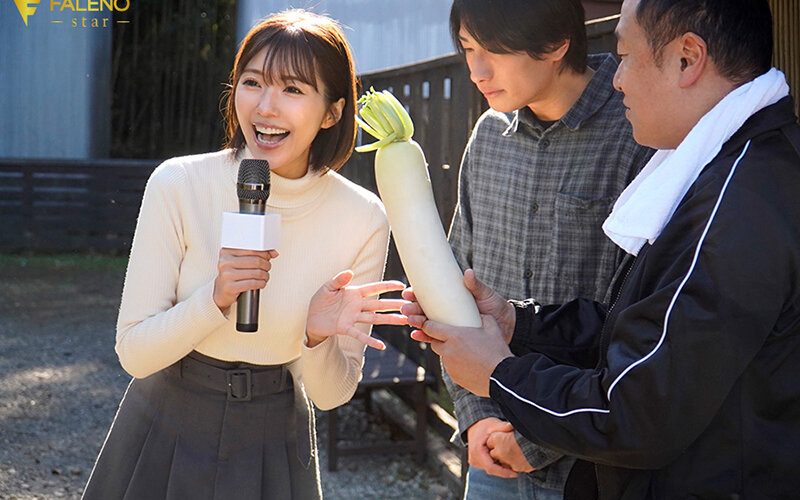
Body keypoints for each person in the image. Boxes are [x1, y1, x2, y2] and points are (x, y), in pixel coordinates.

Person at [405, 0, 800, 497]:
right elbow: (631, 328)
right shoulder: (721, 169)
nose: (617, 79)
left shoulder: (739, 200)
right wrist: (517, 325)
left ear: (687, 58)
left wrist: (501, 376)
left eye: (626, 57)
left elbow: (637, 411)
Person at [83, 10, 406, 499]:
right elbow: (134, 352)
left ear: (332, 112)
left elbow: (331, 393)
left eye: (293, 89)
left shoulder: (362, 217)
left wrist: (317, 337)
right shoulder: (178, 183)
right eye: (252, 83)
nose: (266, 108)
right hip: (163, 423)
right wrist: (214, 298)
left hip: (275, 438)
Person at [443, 1, 652, 498]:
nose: (476, 71)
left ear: (557, 44)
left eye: (494, 50)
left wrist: (536, 441)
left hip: (589, 463)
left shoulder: (638, 133)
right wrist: (475, 418)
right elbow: (453, 285)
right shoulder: (488, 135)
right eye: (468, 49)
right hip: (489, 451)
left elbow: (632, 324)